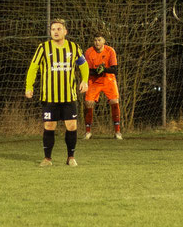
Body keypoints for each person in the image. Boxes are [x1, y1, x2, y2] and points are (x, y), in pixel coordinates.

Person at [26, 19, 89, 166]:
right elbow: (33, 68)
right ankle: (47, 158)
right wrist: (29, 86)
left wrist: (85, 81)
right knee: (49, 126)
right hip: (49, 96)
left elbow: (84, 65)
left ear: (65, 31)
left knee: (72, 126)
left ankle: (71, 157)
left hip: (69, 95)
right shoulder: (43, 48)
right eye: (53, 29)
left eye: (59, 29)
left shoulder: (74, 47)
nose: (55, 31)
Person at [82, 34, 123, 140]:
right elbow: (88, 71)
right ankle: (88, 132)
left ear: (104, 41)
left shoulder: (110, 51)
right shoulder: (89, 52)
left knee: (114, 101)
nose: (97, 42)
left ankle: (117, 132)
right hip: (94, 81)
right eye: (95, 40)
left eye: (99, 40)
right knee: (88, 103)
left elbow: (114, 70)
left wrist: (103, 69)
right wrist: (97, 71)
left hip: (108, 80)